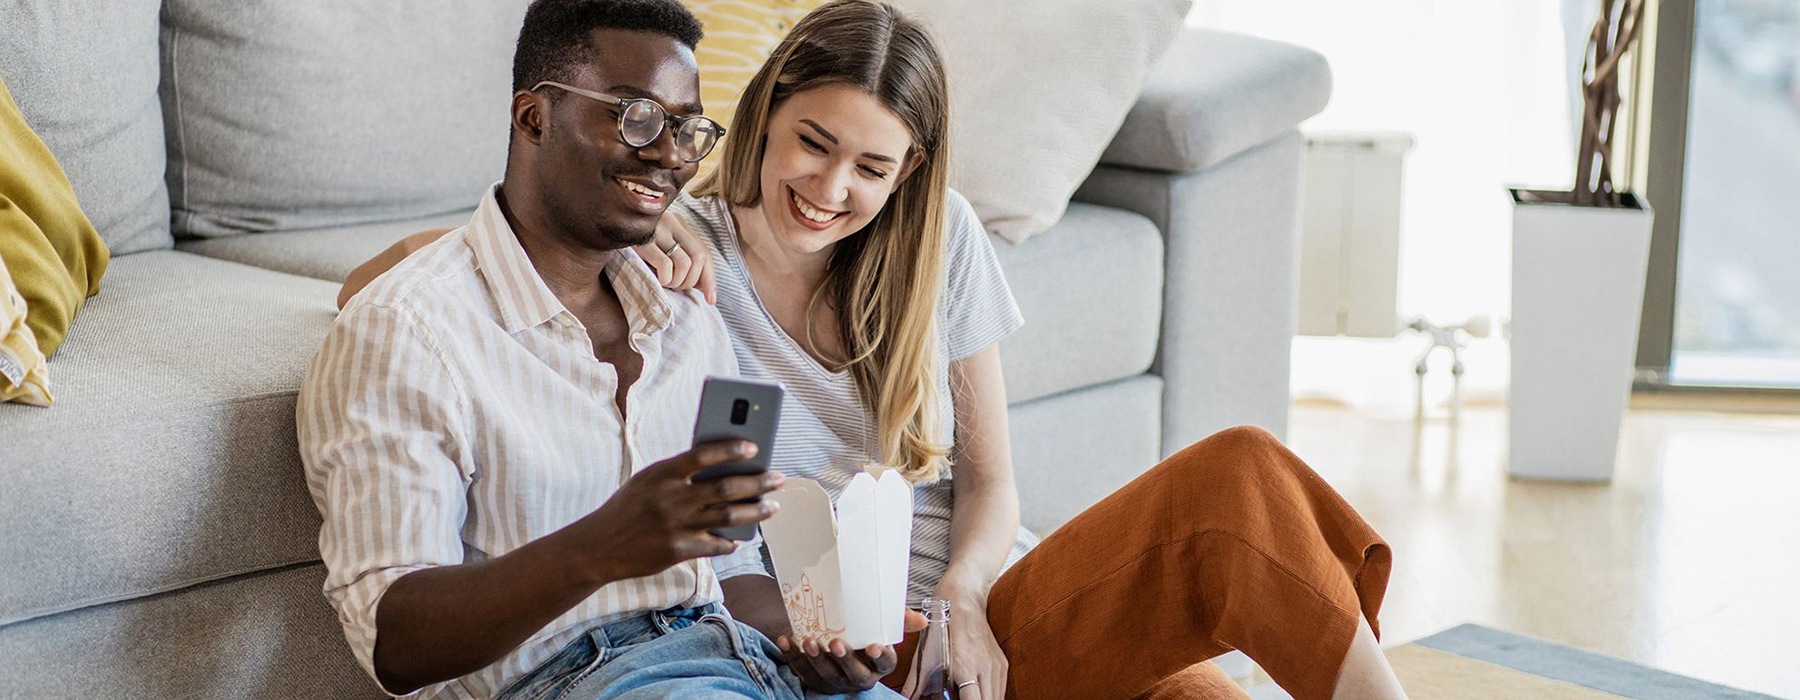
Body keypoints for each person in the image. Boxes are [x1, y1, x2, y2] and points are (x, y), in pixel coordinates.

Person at [342, 2, 1407, 699]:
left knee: (1212, 635)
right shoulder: (677, 261)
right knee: (1230, 495)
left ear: (909, 176)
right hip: (846, 638)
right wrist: (650, 209)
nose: (832, 189)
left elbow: (992, 485)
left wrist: (969, 605)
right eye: (813, 142)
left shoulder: (936, 244)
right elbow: (402, 278)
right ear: (765, 117)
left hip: (987, 609)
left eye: (873, 167)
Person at [299, 1, 917, 698]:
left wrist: (806, 639)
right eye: (636, 117)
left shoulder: (687, 313)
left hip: (743, 659)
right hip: (569, 680)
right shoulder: (406, 333)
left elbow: (733, 562)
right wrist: (602, 547)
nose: (669, 155)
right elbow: (393, 641)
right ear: (534, 118)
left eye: (686, 129)